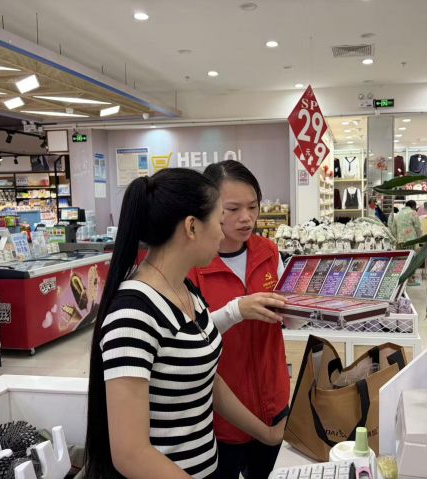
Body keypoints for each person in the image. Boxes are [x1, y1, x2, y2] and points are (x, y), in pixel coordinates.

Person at [84, 168, 288, 479]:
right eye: (219, 221)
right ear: (192, 227)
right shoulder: (133, 314)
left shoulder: (186, 291)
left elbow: (205, 378)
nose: (222, 234)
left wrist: (267, 434)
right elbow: (130, 454)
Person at [188, 160, 289, 479]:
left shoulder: (268, 251)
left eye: (253, 206)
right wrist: (236, 311)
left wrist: (300, 310)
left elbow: (286, 314)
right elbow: (187, 336)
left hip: (274, 402)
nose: (246, 218)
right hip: (220, 416)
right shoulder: (193, 264)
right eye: (232, 209)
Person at [390, 200, 423, 285]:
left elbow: (393, 229)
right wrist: (419, 239)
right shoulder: (413, 213)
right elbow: (418, 227)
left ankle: (401, 280)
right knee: (411, 260)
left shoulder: (398, 214)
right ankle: (410, 280)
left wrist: (398, 238)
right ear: (413, 206)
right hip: (411, 240)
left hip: (400, 241)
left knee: (402, 260)